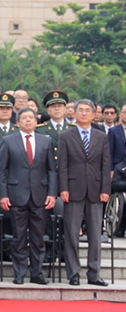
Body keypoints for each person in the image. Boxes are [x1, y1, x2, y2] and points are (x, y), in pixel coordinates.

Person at [0, 107, 57, 285]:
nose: (28, 120)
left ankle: (37, 273)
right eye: (24, 118)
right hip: (16, 195)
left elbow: (51, 170)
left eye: (31, 117)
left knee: (38, 237)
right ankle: (20, 273)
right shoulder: (8, 141)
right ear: (18, 122)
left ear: (36, 121)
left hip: (40, 195)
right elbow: (1, 170)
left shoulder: (46, 141)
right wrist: (3, 195)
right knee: (19, 236)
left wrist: (52, 193)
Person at [58, 99, 110, 287]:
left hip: (96, 190)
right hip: (73, 189)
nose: (84, 114)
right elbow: (62, 165)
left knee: (95, 235)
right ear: (75, 112)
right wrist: (63, 188)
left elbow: (105, 165)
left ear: (95, 114)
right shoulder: (66, 136)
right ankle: (73, 274)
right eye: (81, 110)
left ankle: (94, 273)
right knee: (71, 233)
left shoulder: (101, 136)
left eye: (88, 110)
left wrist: (106, 189)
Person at [35, 90, 73, 165]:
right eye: (53, 106)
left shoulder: (73, 129)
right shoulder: (39, 130)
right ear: (48, 111)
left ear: (65, 109)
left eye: (60, 106)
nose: (56, 109)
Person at [108, 104, 126, 170]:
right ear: (120, 114)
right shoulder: (113, 131)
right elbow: (110, 152)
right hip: (118, 168)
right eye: (125, 112)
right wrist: (111, 170)